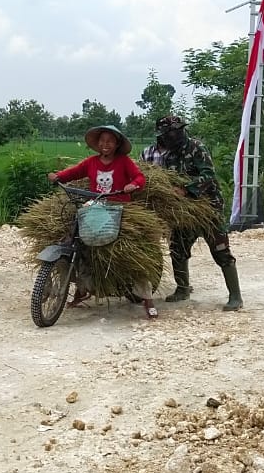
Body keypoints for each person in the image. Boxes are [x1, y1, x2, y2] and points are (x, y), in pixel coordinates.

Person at [48, 125, 158, 319]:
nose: (105, 144)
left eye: (110, 141)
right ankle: (80, 289)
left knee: (132, 250)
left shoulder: (123, 162)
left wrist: (133, 185)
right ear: (97, 144)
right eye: (102, 141)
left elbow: (139, 177)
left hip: (118, 207)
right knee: (75, 240)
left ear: (116, 144)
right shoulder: (91, 162)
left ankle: (147, 299)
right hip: (95, 206)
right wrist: (58, 176)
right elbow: (73, 172)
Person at [141, 114, 243, 311]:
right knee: (177, 248)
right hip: (182, 210)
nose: (176, 135)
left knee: (220, 250)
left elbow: (208, 175)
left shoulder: (196, 147)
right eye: (171, 132)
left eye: (178, 130)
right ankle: (182, 289)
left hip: (208, 207)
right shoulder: (167, 154)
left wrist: (187, 188)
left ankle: (235, 296)